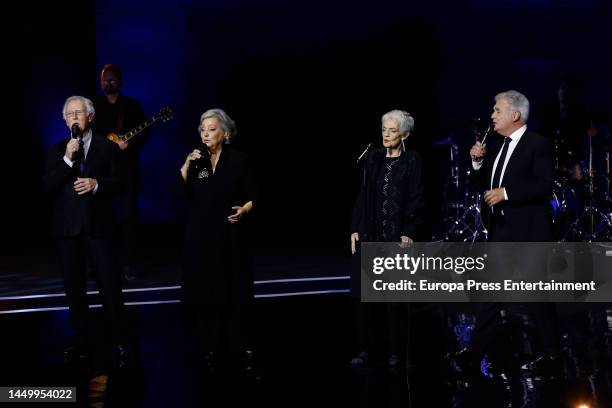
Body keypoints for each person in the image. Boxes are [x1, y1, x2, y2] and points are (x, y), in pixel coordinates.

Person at [467, 90, 558, 391]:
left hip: (529, 233)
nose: (492, 115)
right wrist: (477, 163)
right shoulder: (494, 144)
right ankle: (473, 353)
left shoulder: (538, 144)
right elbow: (483, 185)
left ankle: (550, 354)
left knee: (536, 296)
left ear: (515, 115)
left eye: (497, 110)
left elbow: (543, 186)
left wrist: (507, 193)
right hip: (501, 231)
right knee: (491, 295)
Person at [42, 95, 127, 372]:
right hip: (67, 230)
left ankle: (118, 339)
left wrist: (97, 184)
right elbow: (47, 188)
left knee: (109, 286)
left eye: (78, 113)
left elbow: (121, 182)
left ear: (90, 116)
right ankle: (83, 341)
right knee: (74, 290)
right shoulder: (57, 151)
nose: (73, 118)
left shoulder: (107, 147)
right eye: (68, 114)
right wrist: (68, 160)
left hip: (99, 227)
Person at [179, 108, 257, 371]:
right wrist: (187, 164)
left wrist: (244, 210)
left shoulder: (239, 160)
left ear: (225, 133)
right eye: (203, 129)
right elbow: (178, 191)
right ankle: (210, 344)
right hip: (201, 236)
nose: (206, 133)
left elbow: (253, 196)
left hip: (230, 234)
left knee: (234, 287)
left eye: (212, 129)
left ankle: (241, 341)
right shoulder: (197, 161)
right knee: (207, 289)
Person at [349, 110, 424, 368]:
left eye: (392, 131)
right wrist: (355, 227)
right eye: (384, 129)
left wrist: (409, 230)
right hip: (371, 233)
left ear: (404, 134)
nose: (386, 135)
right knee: (362, 296)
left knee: (394, 299)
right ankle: (365, 349)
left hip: (396, 235)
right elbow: (364, 194)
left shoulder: (412, 160)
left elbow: (417, 197)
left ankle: (397, 352)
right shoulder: (374, 159)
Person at [93, 63, 148, 281]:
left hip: (126, 171)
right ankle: (101, 264)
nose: (108, 82)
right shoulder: (94, 107)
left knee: (128, 219)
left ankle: (130, 265)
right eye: (105, 79)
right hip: (102, 172)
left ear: (120, 81)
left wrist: (130, 144)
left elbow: (144, 134)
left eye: (112, 78)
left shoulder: (131, 106)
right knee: (99, 219)